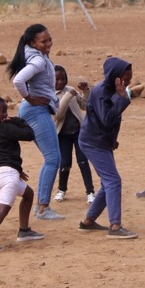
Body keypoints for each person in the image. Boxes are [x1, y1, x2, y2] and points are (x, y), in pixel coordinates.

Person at [0, 95, 43, 253]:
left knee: (28, 194)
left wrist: (17, 170)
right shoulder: (5, 127)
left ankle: (24, 231)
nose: (6, 114)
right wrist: (16, 120)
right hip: (8, 175)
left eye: (6, 111)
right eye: (2, 111)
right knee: (2, 209)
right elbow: (29, 134)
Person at [8, 24, 63, 221]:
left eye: (49, 39)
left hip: (36, 110)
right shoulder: (38, 60)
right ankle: (42, 208)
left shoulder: (34, 54)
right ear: (33, 42)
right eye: (44, 41)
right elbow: (18, 81)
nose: (49, 43)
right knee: (53, 158)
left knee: (53, 157)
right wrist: (31, 99)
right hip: (35, 110)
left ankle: (41, 205)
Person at [78, 57, 138, 239]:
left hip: (101, 141)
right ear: (114, 77)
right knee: (113, 181)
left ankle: (88, 222)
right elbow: (107, 119)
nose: (126, 83)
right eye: (124, 79)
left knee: (108, 181)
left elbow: (110, 122)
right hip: (92, 142)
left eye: (129, 80)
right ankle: (115, 226)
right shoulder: (101, 92)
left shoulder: (111, 90)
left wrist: (112, 139)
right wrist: (122, 98)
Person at [53, 65, 95, 204]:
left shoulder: (71, 90)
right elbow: (58, 115)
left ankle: (90, 192)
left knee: (83, 162)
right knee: (65, 164)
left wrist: (85, 91)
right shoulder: (50, 96)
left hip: (78, 133)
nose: (60, 82)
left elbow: (85, 105)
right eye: (56, 79)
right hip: (62, 135)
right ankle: (61, 190)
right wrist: (68, 95)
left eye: (63, 78)